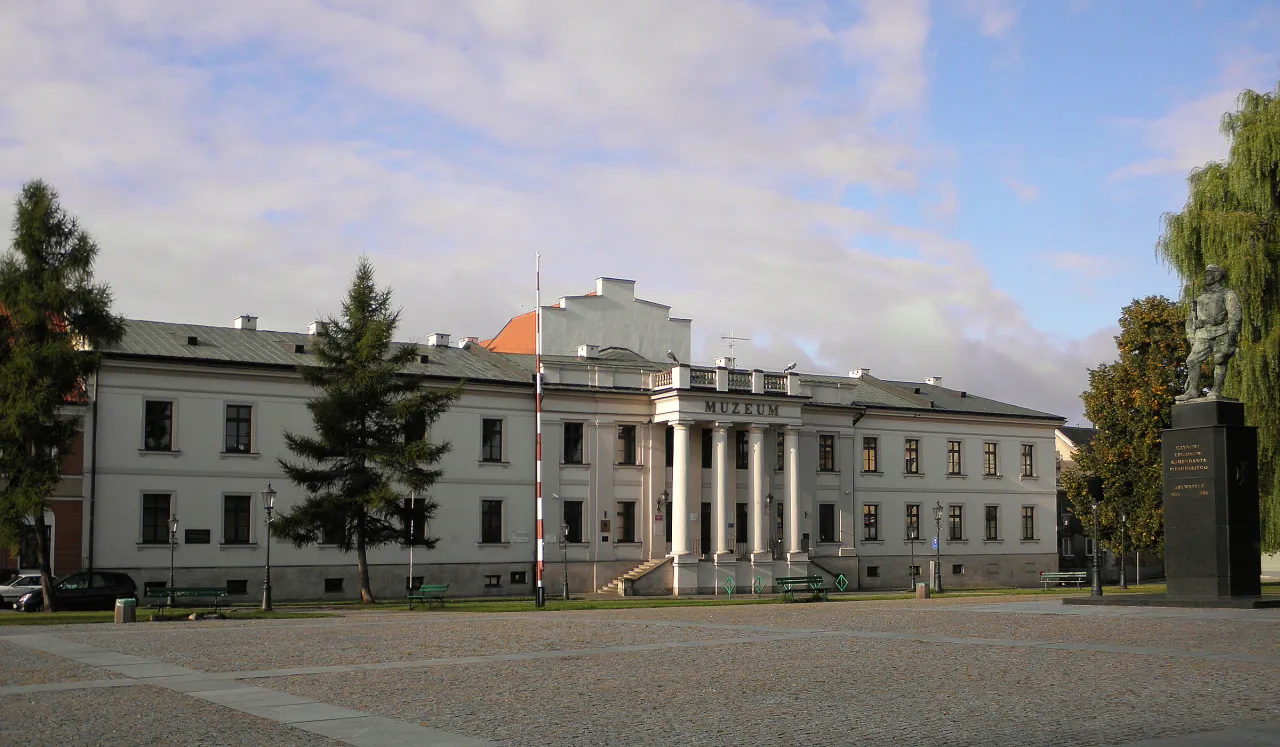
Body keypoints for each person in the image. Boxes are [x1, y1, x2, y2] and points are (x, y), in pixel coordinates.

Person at [1176, 264, 1242, 401]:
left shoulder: (1227, 294)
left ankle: (1216, 390)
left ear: (1217, 276)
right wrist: (1191, 336)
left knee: (1220, 360)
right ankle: (1192, 391)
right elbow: (1190, 320)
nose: (1205, 278)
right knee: (1192, 360)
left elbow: (1235, 315)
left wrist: (1232, 336)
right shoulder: (1199, 298)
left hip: (1221, 332)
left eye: (1208, 275)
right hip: (1202, 334)